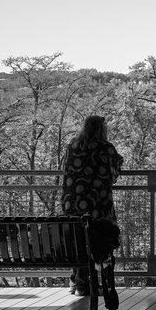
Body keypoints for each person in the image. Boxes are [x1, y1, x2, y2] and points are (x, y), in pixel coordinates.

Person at [61, 115, 124, 296]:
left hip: (72, 204)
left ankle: (77, 281)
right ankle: (83, 283)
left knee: (77, 240)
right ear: (102, 130)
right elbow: (116, 165)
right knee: (96, 240)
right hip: (97, 205)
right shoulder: (105, 148)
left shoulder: (73, 146)